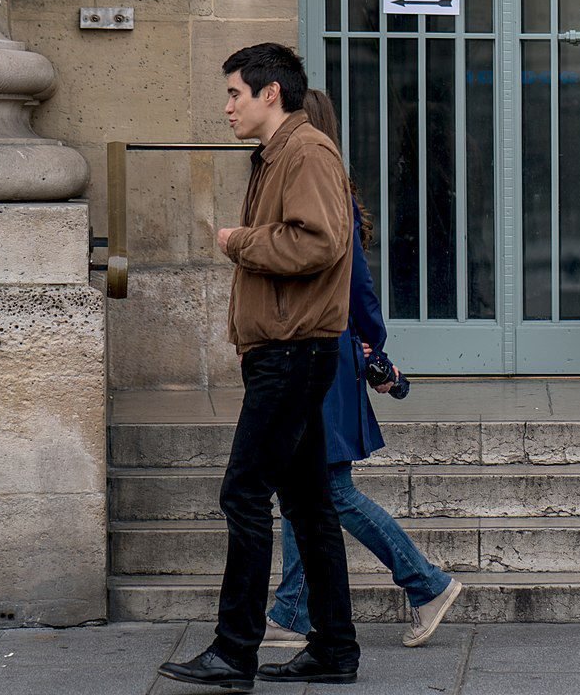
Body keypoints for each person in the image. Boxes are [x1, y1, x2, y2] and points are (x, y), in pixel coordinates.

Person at [158, 45, 360, 691]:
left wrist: (238, 243)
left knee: (243, 493)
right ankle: (334, 648)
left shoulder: (305, 153)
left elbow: (320, 239)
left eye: (235, 95)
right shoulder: (279, 156)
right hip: (287, 354)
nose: (227, 108)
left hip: (294, 356)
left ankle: (234, 650)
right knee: (308, 504)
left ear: (271, 93)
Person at [264, 89, 462, 650]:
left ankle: (425, 583)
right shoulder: (320, 187)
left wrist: (371, 344)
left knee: (328, 488)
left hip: (322, 356)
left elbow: (356, 286)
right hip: (316, 355)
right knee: (308, 486)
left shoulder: (320, 190)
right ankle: (292, 612)